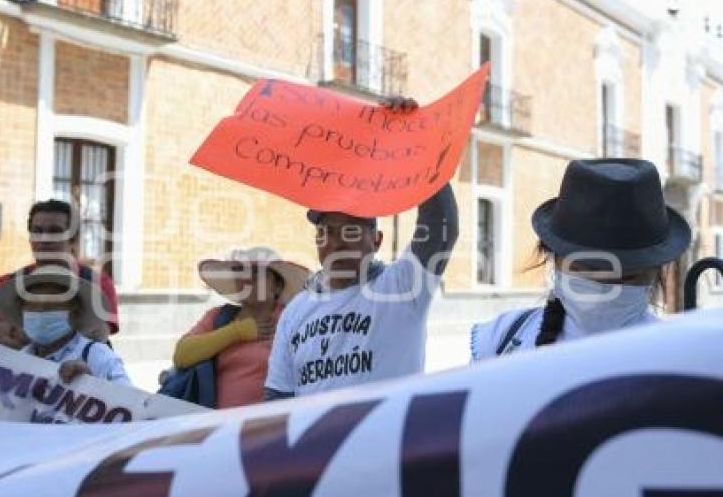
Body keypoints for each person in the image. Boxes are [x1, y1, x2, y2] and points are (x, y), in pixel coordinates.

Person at [264, 94, 458, 398]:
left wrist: (417, 139)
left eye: (351, 232)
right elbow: (276, 402)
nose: (337, 242)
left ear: (377, 241)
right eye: (325, 232)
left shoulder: (402, 288)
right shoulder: (294, 312)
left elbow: (439, 229)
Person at [470, 158, 690, 360]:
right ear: (553, 258)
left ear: (657, 271)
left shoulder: (679, 358)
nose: (605, 286)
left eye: (627, 276)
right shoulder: (502, 339)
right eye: (585, 269)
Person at [168, 247, 309, 408]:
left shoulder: (293, 319)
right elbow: (181, 355)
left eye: (256, 272)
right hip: (216, 426)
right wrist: (236, 332)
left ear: (276, 286)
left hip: (270, 426)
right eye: (240, 272)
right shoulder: (218, 317)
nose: (247, 278)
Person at [0, 199, 119, 348]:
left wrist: (22, 332)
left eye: (55, 231)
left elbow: (99, 334)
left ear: (73, 240)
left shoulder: (99, 283)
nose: (44, 239)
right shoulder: (5, 283)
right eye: (37, 231)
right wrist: (70, 333)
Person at [0, 264, 131, 385]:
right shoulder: (17, 361)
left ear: (74, 311)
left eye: (52, 305)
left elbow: (133, 408)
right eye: (32, 305)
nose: (41, 312)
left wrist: (91, 385)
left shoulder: (98, 357)